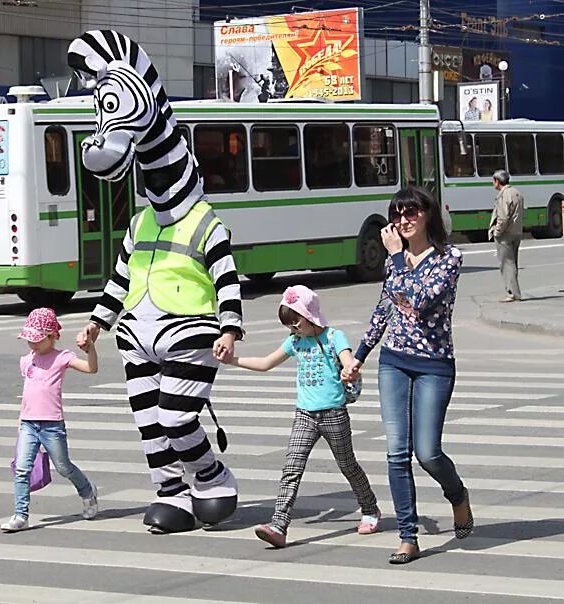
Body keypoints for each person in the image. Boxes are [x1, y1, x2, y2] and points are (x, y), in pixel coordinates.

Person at [69, 29, 241, 534]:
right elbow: (121, 275)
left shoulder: (206, 220)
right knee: (149, 426)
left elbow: (226, 276)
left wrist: (229, 327)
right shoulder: (142, 221)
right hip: (137, 334)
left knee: (175, 418)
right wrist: (98, 323)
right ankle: (173, 493)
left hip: (190, 332)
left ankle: (210, 476)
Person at [347, 186, 473, 564]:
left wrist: (397, 261)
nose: (403, 220)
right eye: (397, 214)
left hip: (434, 364)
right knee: (396, 452)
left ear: (427, 215)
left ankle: (458, 496)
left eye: (411, 213)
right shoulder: (396, 261)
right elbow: (386, 307)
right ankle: (408, 536)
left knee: (428, 453)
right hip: (394, 362)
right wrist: (359, 355)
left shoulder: (449, 258)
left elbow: (420, 298)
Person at [221, 285, 380, 548]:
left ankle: (370, 508)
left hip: (333, 414)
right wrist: (232, 360)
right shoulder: (295, 342)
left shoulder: (333, 337)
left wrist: (350, 368)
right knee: (291, 469)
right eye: (289, 326)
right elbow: (265, 363)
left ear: (311, 315)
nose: (294, 330)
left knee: (347, 465)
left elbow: (347, 358)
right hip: (305, 415)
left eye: (297, 323)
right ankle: (278, 526)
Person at [1, 307, 98, 533]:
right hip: (28, 423)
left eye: (37, 339)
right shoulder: (26, 361)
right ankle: (21, 515)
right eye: (29, 340)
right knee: (22, 469)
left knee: (63, 467)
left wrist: (90, 349)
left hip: (52, 425)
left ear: (53, 336)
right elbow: (27, 395)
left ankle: (88, 492)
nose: (33, 344)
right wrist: (20, 423)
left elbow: (91, 369)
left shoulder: (62, 357)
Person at [489, 169, 524, 302]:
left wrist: (497, 232)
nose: (493, 184)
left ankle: (513, 293)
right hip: (517, 232)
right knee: (513, 263)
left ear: (497, 181)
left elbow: (503, 217)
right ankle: (515, 291)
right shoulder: (517, 193)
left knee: (507, 264)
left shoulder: (504, 195)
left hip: (505, 234)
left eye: (493, 181)